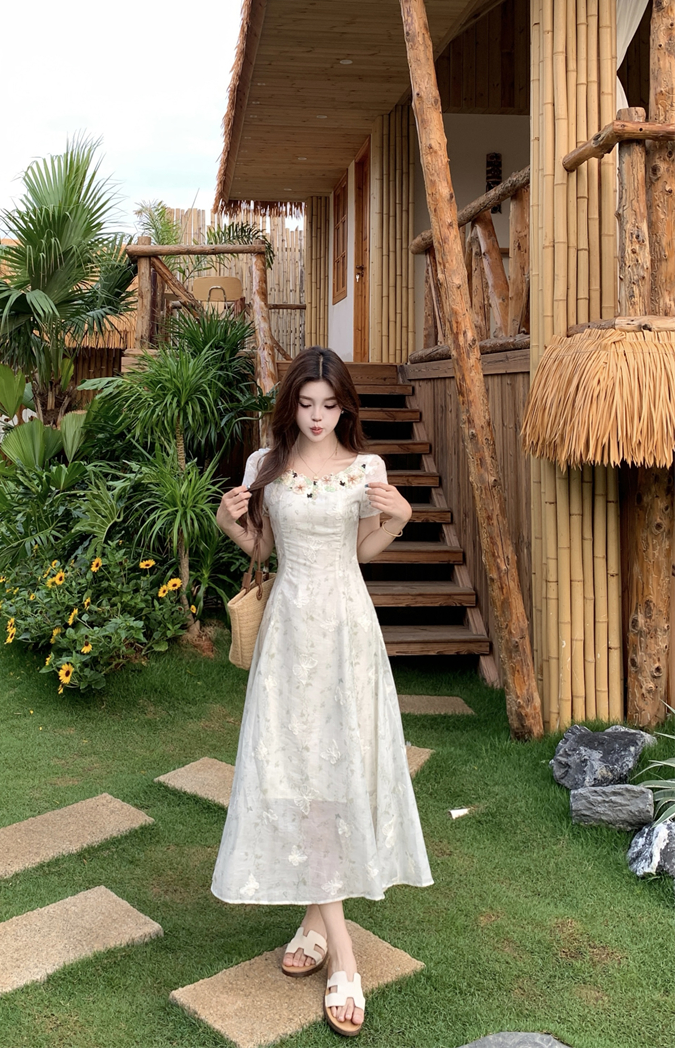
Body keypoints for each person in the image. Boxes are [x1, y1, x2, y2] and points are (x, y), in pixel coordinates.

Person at [213, 347, 433, 1037]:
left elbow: (362, 552)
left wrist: (399, 517)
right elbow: (262, 549)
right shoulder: (264, 464)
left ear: (345, 407)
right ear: (291, 405)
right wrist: (228, 523)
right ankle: (340, 948)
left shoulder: (368, 469)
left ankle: (324, 935)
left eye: (329, 405)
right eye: (306, 404)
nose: (316, 417)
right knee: (297, 770)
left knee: (337, 773)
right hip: (288, 636)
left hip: (346, 634)